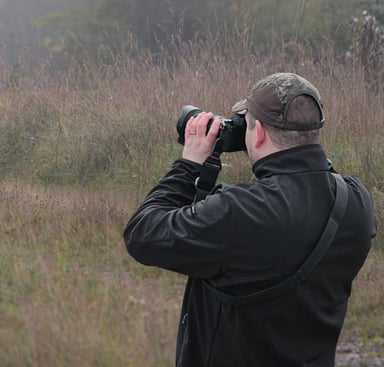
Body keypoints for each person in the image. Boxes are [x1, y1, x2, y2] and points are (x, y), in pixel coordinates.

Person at [123, 72, 377, 367]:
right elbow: (316, 182)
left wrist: (189, 164)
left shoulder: (238, 211)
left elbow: (142, 234)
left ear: (256, 134)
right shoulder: (356, 201)